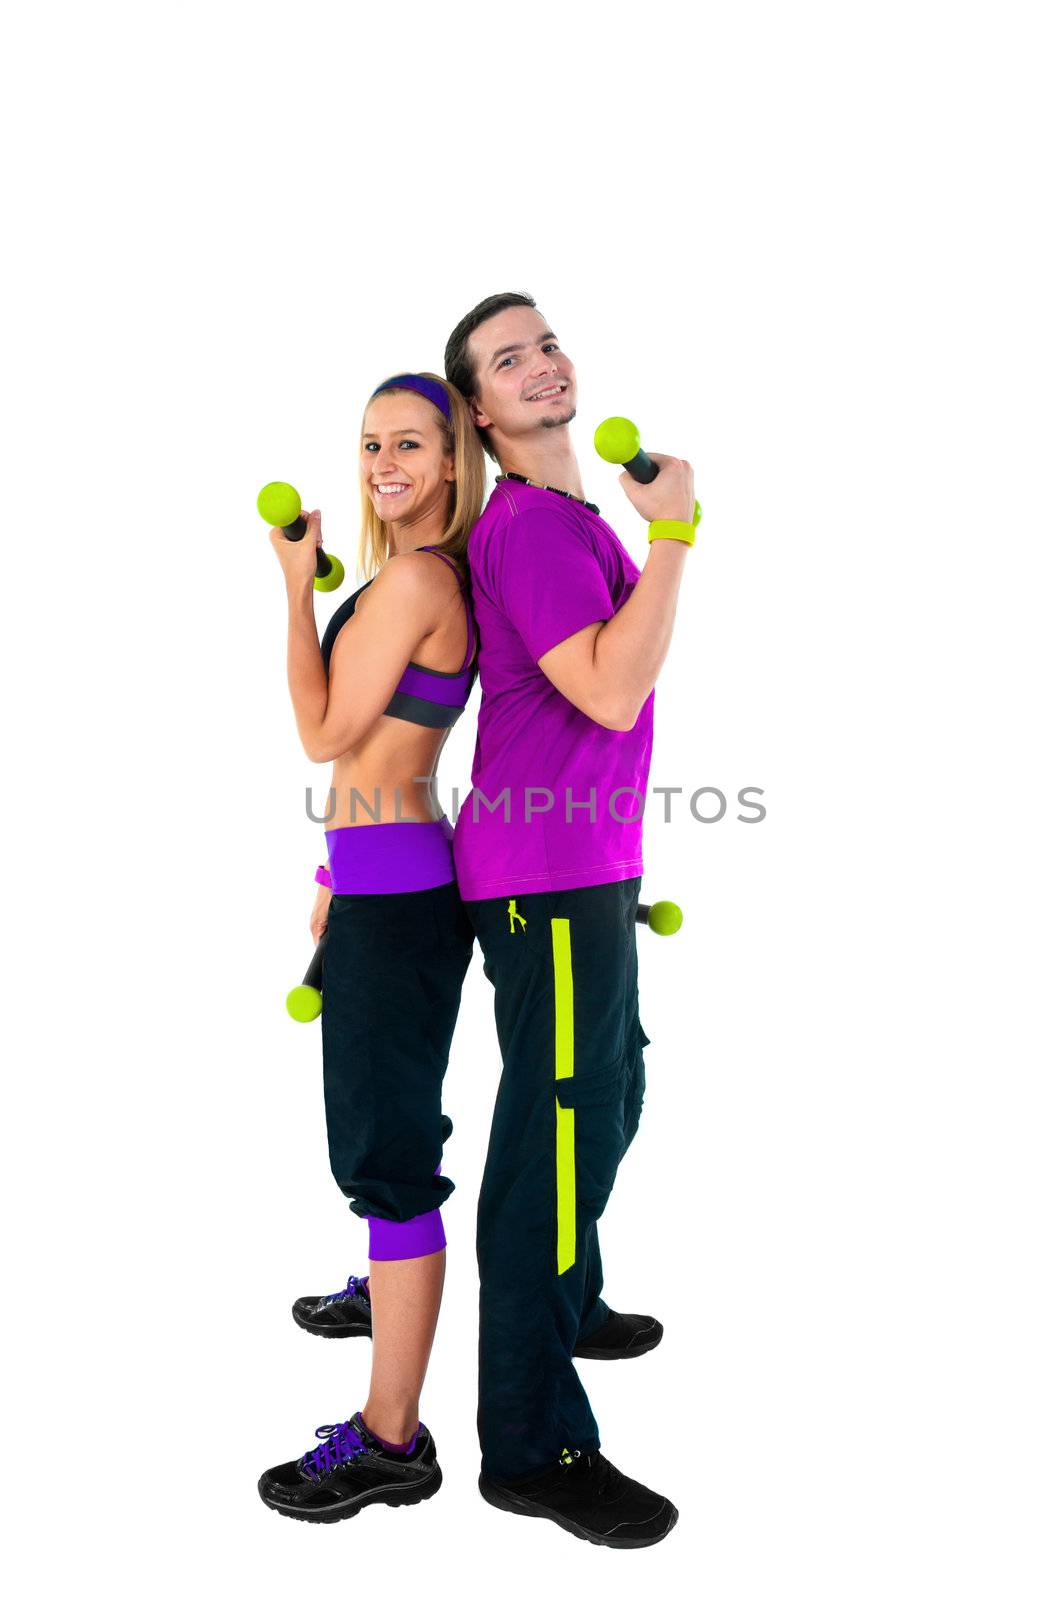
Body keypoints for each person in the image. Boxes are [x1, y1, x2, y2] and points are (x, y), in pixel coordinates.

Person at [444, 294, 697, 1548]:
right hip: (540, 876)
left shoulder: (566, 516)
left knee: (613, 1091)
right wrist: (675, 541)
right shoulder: (533, 527)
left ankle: (567, 1293)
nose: (541, 364)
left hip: (580, 865)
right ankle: (531, 1441)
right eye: (508, 360)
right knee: (551, 1149)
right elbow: (606, 688)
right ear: (482, 414)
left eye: (545, 342)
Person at [258, 372, 485, 1522]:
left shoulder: (412, 576)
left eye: (409, 444)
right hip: (380, 882)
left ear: (452, 462)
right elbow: (373, 755)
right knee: (379, 1137)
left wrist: (295, 590)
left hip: (397, 903)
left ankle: (393, 1439)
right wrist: (328, 871)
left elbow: (323, 732)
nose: (383, 462)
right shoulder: (416, 577)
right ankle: (388, 1281)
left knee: (389, 1161)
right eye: (368, 444)